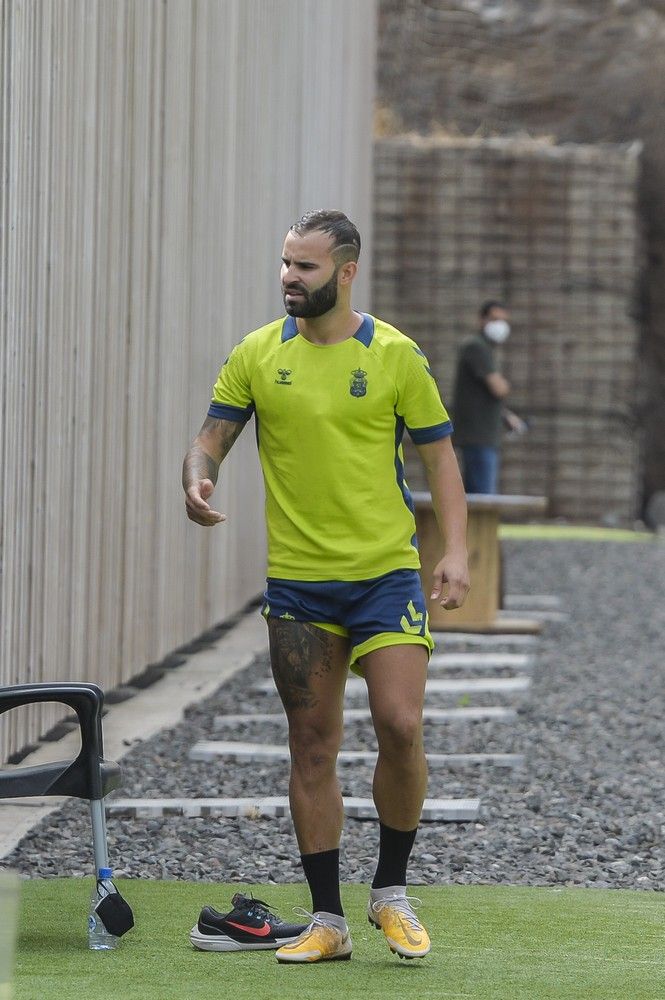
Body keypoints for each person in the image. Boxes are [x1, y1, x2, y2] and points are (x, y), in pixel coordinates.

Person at [182, 210, 470, 964]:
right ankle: (327, 921)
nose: (287, 277)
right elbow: (210, 439)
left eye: (304, 267)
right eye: (284, 263)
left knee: (400, 724)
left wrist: (455, 551)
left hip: (383, 575)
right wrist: (196, 479)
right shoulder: (256, 353)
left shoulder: (394, 355)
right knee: (311, 745)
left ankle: (391, 895)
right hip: (299, 586)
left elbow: (440, 459)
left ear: (345, 272)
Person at [452, 300, 527, 494]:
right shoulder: (476, 347)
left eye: (503, 321)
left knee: (477, 494)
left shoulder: (485, 348)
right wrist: (504, 384)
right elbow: (498, 388)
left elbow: (486, 396)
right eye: (494, 319)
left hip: (483, 435)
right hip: (478, 436)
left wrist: (507, 416)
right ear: (482, 320)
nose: (500, 325)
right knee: (483, 497)